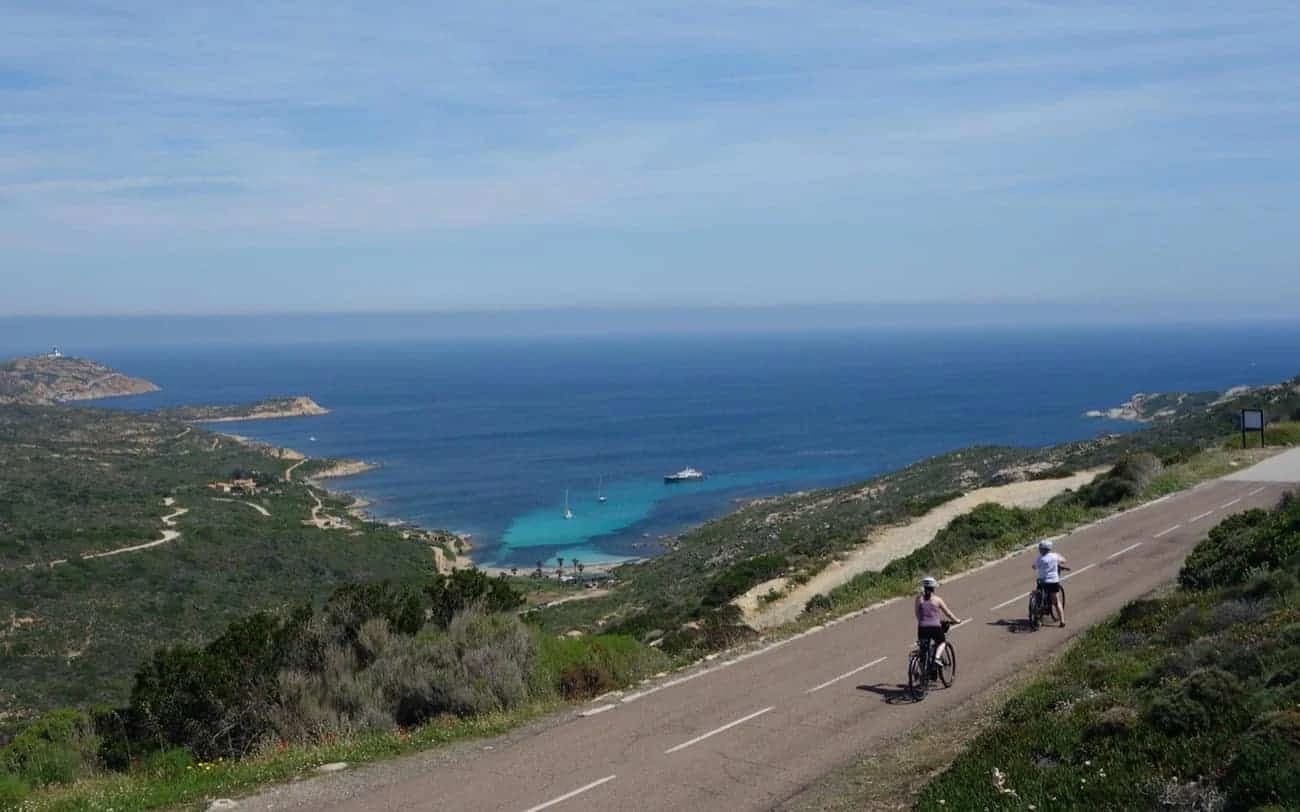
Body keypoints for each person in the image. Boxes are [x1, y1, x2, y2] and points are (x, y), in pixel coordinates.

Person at [915, 576, 963, 671]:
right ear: (933, 588)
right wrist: (957, 620)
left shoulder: (918, 599)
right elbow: (948, 613)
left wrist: (922, 621)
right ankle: (937, 658)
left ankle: (922, 671)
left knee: (923, 649)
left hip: (922, 628)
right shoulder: (937, 600)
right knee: (942, 642)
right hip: (935, 627)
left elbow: (917, 613)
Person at [1033, 539, 1067, 627]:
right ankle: (1062, 621)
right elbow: (1064, 560)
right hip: (1053, 581)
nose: (1039, 549)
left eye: (1040, 548)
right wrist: (1058, 560)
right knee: (1056, 602)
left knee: (1039, 599)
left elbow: (1034, 567)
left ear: (1043, 549)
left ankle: (1039, 619)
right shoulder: (1055, 556)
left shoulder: (1039, 558)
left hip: (1043, 582)